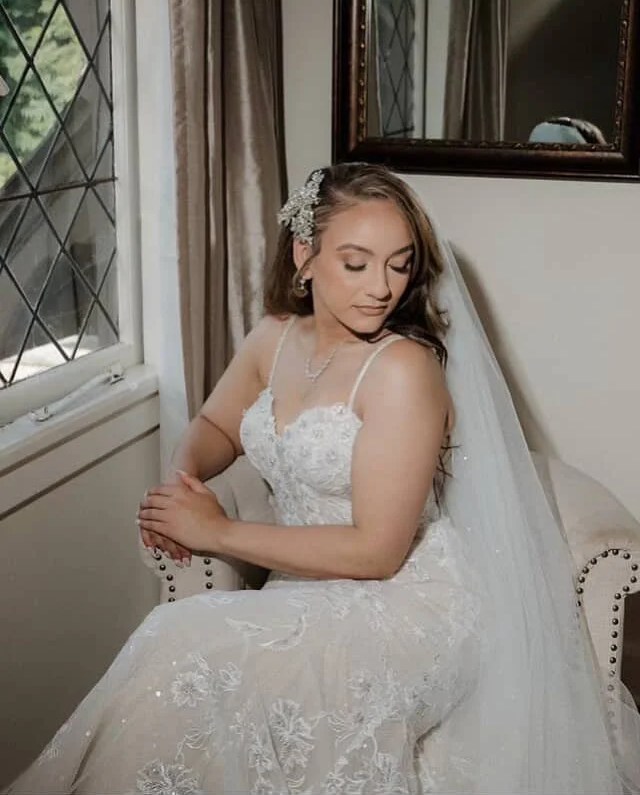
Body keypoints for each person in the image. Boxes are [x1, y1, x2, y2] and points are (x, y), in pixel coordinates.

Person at [5, 163, 639, 794]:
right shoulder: (273, 340)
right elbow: (215, 427)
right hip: (307, 581)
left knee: (179, 644)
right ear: (305, 255)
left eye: (400, 263)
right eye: (357, 263)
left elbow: (378, 551)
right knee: (173, 651)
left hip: (409, 602)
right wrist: (184, 481)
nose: (383, 287)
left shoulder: (403, 370)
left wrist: (217, 531)